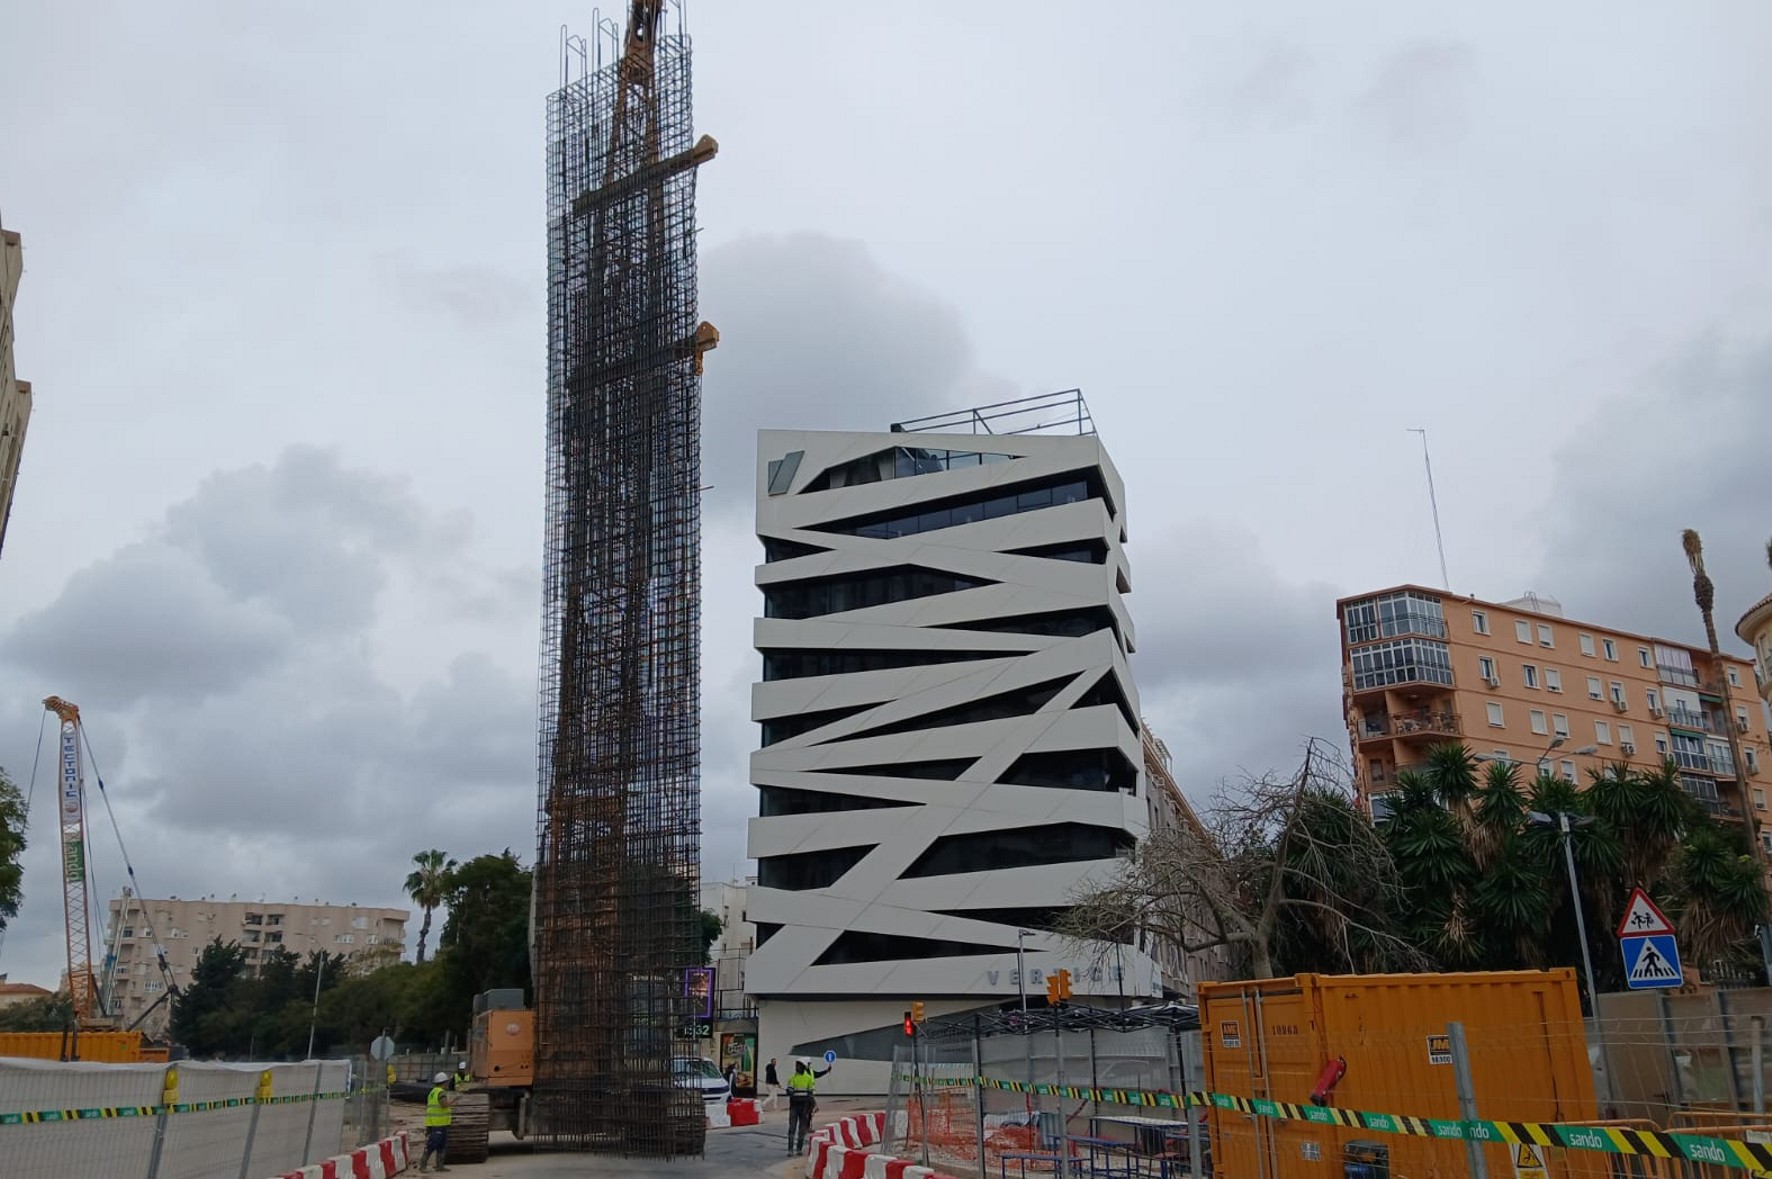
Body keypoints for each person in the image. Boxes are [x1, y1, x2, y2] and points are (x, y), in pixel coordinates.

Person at [785, 1058, 832, 1153]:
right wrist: (789, 1091)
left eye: (799, 1065)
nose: (797, 1067)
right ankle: (790, 1150)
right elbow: (789, 1090)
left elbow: (810, 1093)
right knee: (792, 1128)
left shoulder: (809, 1078)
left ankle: (798, 1149)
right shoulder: (792, 1078)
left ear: (804, 1066)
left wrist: (812, 1105)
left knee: (802, 1130)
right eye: (796, 1065)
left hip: (804, 1107)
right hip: (794, 1106)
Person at [419, 1071, 454, 1173]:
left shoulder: (432, 1092)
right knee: (432, 1145)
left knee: (441, 1146)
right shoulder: (441, 1092)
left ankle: (440, 1166)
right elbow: (444, 1105)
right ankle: (423, 1166)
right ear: (444, 1082)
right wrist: (454, 1100)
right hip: (438, 1124)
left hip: (435, 1123)